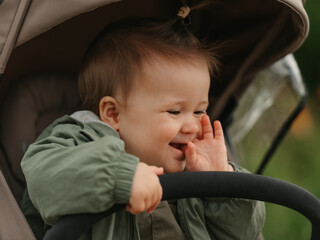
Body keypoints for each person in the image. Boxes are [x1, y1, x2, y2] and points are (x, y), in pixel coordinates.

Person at [21, 5, 265, 240]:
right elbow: (44, 178)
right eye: (174, 111)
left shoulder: (195, 173)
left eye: (200, 110)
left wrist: (221, 185)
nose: (192, 126)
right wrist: (118, 176)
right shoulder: (77, 143)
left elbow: (244, 234)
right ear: (114, 114)